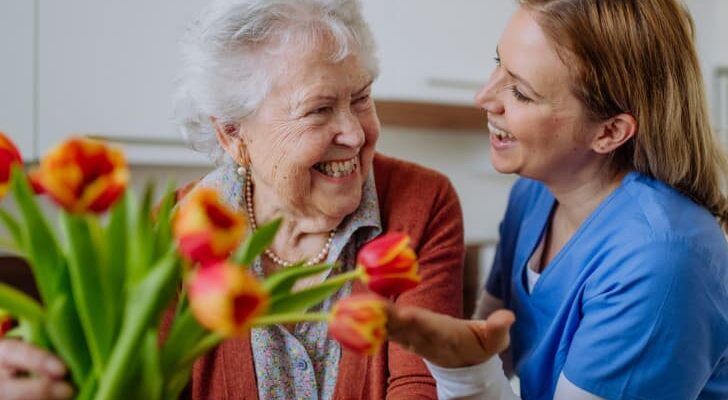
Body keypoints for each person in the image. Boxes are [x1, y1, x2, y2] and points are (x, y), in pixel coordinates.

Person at [0, 0, 464, 399]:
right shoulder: (175, 231)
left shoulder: (422, 204)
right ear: (232, 135)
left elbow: (422, 386)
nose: (356, 132)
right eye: (319, 109)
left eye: (361, 98)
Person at [386, 0, 728, 399]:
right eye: (498, 63)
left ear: (610, 132)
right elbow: (490, 349)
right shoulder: (534, 194)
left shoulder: (658, 261)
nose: (483, 96)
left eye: (521, 93)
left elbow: (478, 371)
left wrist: (465, 371)